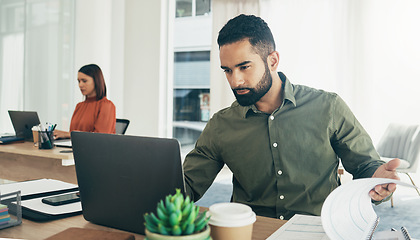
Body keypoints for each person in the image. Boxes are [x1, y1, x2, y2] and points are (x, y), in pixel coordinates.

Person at [183, 14, 400, 220]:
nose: (235, 81)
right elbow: (187, 186)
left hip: (320, 230)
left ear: (273, 61)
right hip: (254, 231)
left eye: (244, 67)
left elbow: (366, 165)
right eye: (228, 71)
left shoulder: (328, 107)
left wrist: (377, 180)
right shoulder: (222, 125)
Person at [54, 64, 116, 139]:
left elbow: (100, 137)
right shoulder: (79, 106)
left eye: (84, 81)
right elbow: (73, 134)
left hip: (96, 150)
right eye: (79, 81)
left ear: (96, 81)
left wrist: (67, 134)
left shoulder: (106, 105)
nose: (80, 85)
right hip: (77, 149)